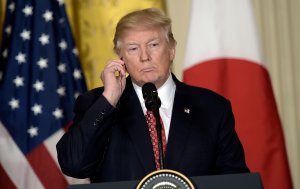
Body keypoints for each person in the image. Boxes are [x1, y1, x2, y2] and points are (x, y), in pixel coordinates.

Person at [56, 8, 249, 183]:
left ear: (171, 50)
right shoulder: (97, 104)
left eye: (153, 45)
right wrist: (109, 99)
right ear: (121, 59)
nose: (144, 57)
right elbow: (74, 165)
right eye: (133, 48)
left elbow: (236, 180)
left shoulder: (212, 108)